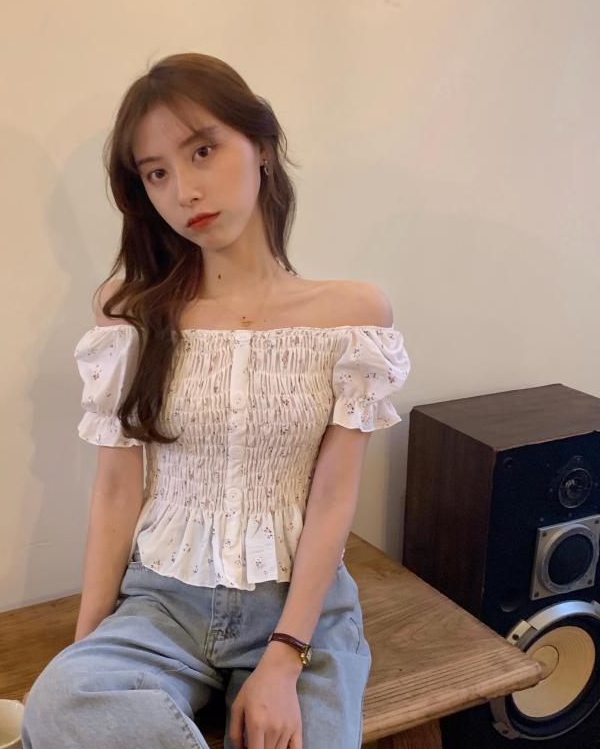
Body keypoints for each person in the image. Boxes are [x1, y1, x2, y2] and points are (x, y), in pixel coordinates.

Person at [21, 52, 411, 749]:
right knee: (58, 703)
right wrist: (84, 654)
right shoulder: (130, 315)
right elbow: (116, 491)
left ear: (260, 146)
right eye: (157, 173)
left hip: (301, 611)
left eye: (202, 150)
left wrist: (284, 658)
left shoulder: (352, 318)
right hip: (163, 601)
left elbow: (333, 496)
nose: (185, 191)